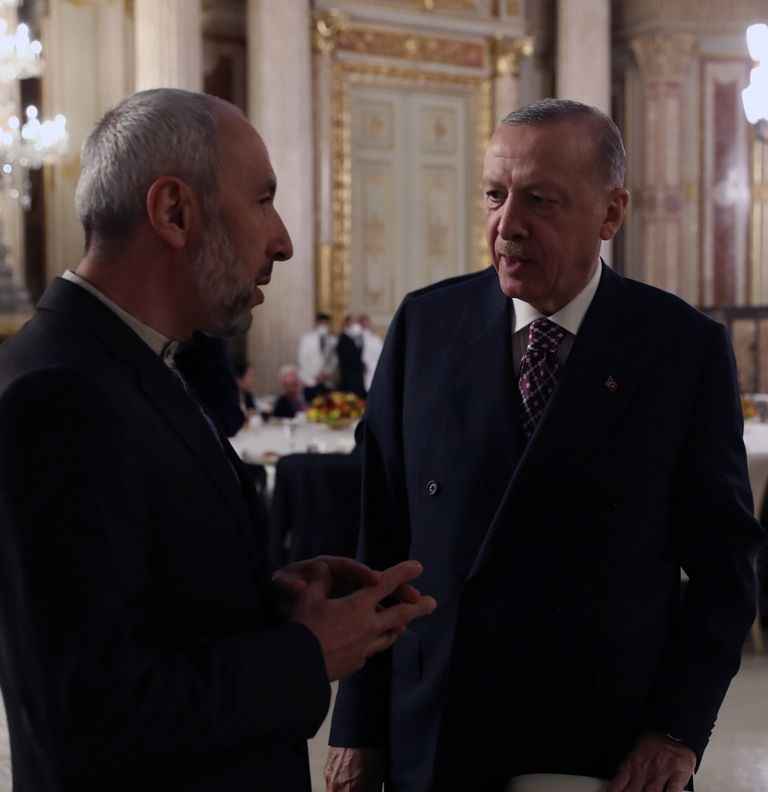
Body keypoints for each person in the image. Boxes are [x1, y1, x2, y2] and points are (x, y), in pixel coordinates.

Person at [0, 88, 436, 792]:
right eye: (263, 201)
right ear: (174, 212)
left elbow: (141, 608)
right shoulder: (58, 395)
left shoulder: (131, 363)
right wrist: (306, 653)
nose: (284, 241)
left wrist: (270, 602)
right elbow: (90, 714)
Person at [326, 99, 765, 792]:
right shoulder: (426, 327)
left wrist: (677, 731)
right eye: (494, 195)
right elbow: (376, 540)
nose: (507, 226)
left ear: (611, 213)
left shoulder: (681, 349)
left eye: (540, 200)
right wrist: (357, 729)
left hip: (604, 744)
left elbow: (725, 569)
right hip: (439, 733)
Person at [298, 312, 335, 401]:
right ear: (316, 323)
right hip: (310, 380)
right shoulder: (307, 339)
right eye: (321, 323)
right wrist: (315, 375)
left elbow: (334, 359)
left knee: (327, 406)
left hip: (326, 381)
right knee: (310, 406)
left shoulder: (332, 340)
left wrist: (327, 373)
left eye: (326, 323)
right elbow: (302, 359)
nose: (324, 325)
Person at [336, 314, 367, 398]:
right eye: (352, 322)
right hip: (348, 374)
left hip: (358, 374)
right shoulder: (343, 338)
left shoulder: (358, 337)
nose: (354, 324)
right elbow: (345, 356)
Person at [358, 313, 383, 393]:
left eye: (366, 322)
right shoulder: (357, 336)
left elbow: (380, 352)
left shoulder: (375, 338)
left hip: (374, 367)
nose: (365, 324)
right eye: (362, 322)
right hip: (361, 367)